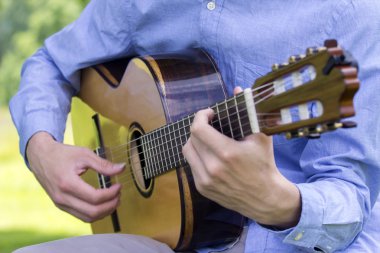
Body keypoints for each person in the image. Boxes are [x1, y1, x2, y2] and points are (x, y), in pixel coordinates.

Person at [9, 1, 380, 252]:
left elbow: (350, 198)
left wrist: (278, 203)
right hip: (159, 236)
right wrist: (41, 148)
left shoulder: (351, 13)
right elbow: (52, 63)